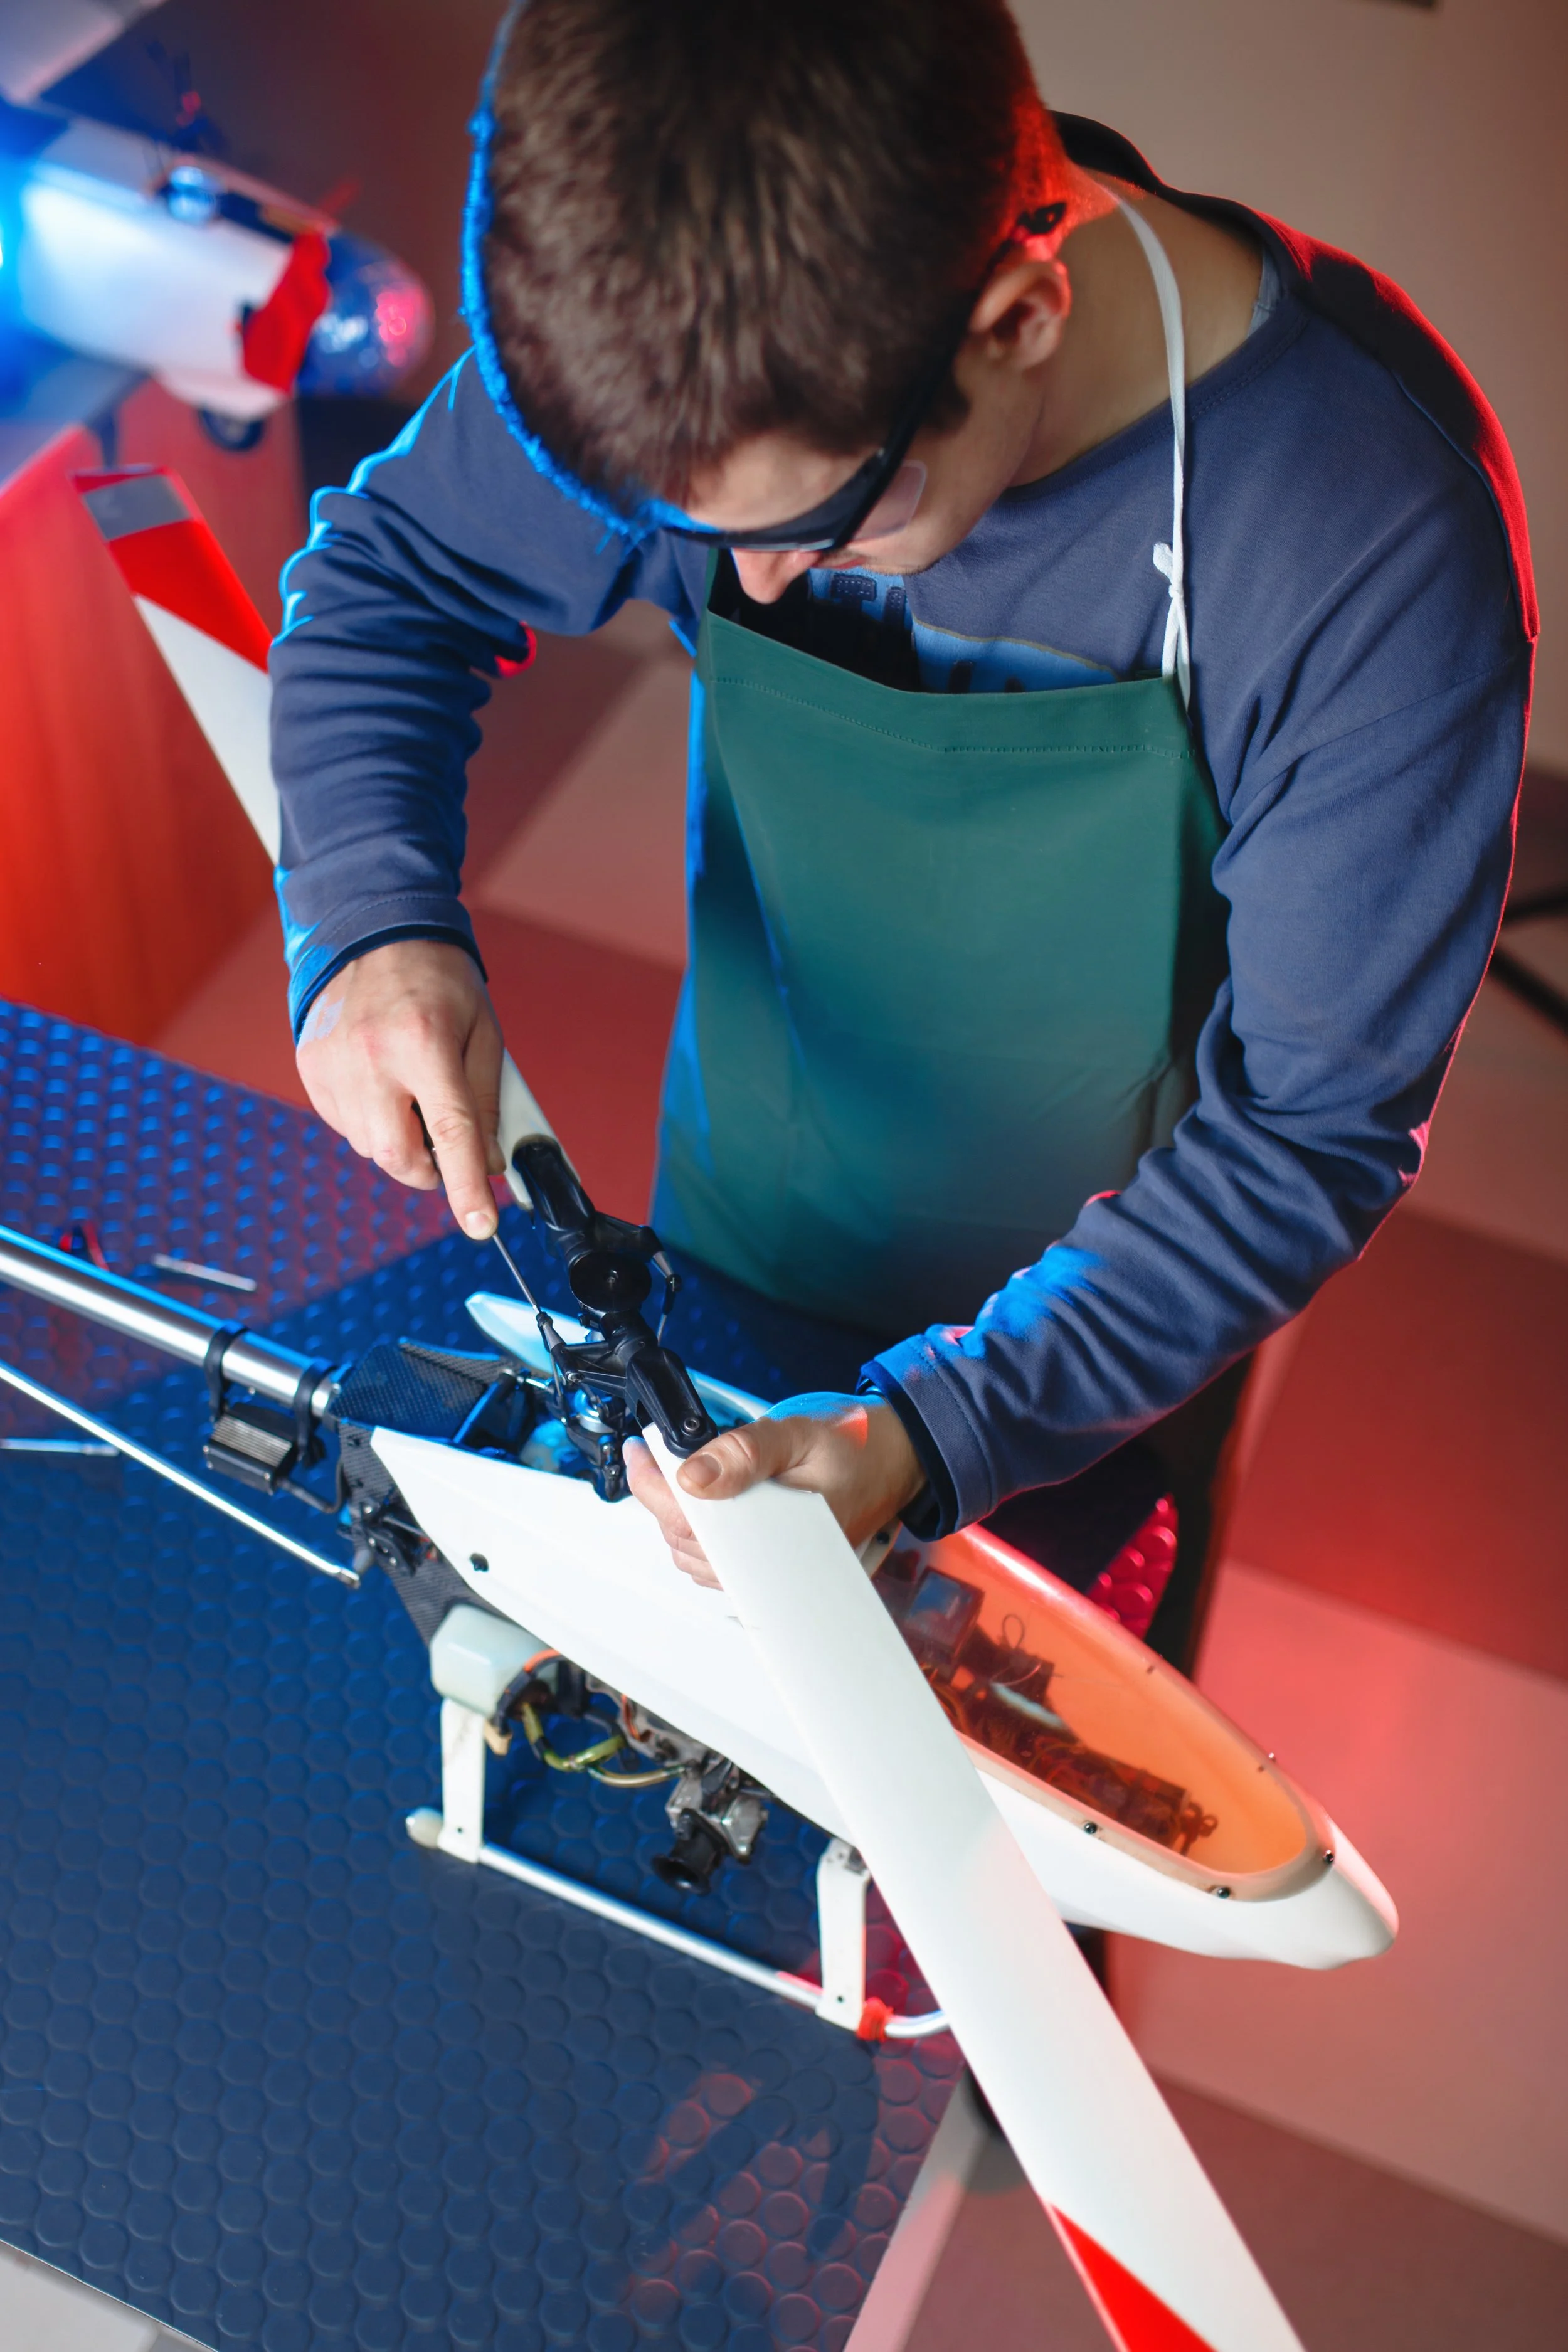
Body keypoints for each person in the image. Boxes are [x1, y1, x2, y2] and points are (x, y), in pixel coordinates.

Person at [272, 0, 1534, 1664]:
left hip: (1109, 1338)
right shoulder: (673, 327)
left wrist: (933, 1436)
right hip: (748, 1194)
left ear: (1014, 318)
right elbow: (392, 576)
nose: (757, 582)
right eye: (686, 534)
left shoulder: (1362, 540)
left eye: (809, 526)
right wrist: (369, 916)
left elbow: (1302, 1133)